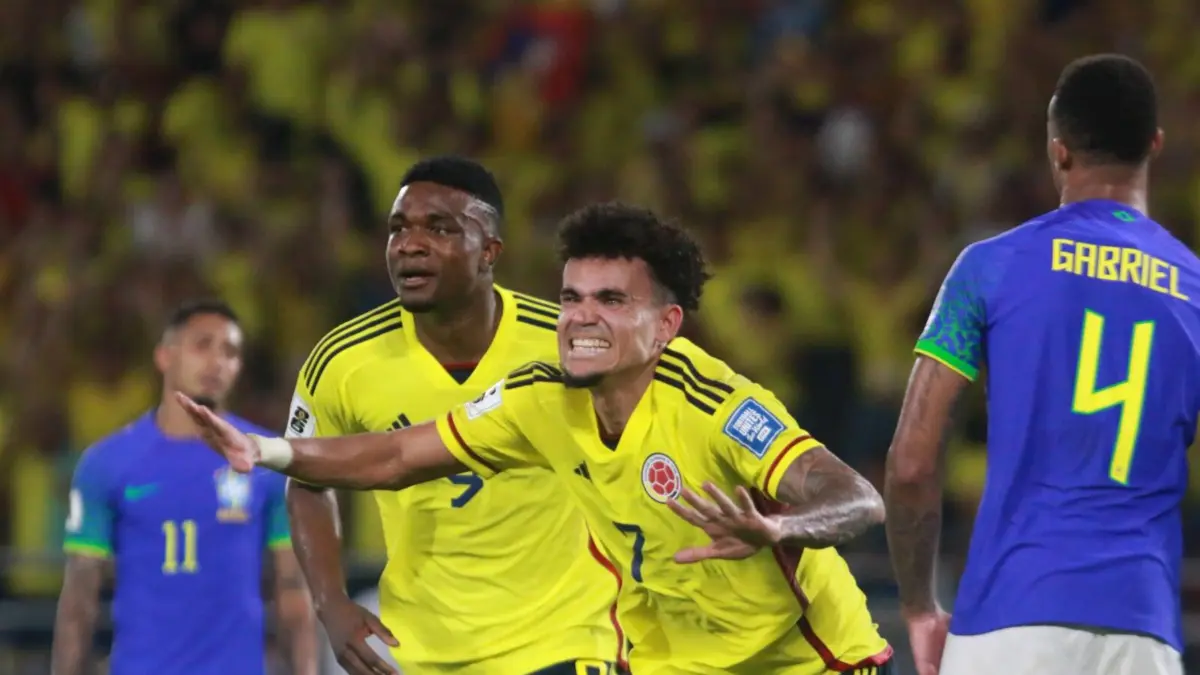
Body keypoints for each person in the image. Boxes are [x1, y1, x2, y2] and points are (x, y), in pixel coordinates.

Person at [178, 201, 896, 675]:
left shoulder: (715, 405)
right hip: (671, 661)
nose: (582, 317)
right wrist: (268, 451)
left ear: (666, 326)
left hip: (809, 660)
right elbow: (397, 454)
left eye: (611, 300)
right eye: (571, 298)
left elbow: (857, 498)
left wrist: (779, 526)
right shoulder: (539, 396)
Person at [884, 54, 1194, 675]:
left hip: (1010, 619)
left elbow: (911, 463)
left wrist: (919, 607)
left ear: (1058, 151)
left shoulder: (990, 266)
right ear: (1154, 145)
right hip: (1145, 629)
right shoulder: (1194, 288)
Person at [285, 156, 623, 675]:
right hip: (422, 651)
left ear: (489, 251)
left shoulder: (565, 345)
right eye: (399, 228)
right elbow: (306, 478)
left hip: (565, 638)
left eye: (439, 228)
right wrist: (330, 601)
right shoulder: (342, 361)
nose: (410, 244)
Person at [51, 300, 317, 675]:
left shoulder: (266, 461)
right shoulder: (107, 463)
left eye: (230, 352)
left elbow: (292, 590)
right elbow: (79, 598)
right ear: (164, 356)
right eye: (202, 345)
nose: (217, 362)